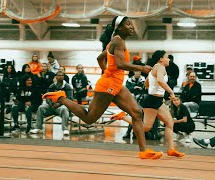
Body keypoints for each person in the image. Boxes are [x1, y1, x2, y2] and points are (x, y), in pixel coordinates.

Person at [43, 16, 163, 159]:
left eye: (131, 24)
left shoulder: (116, 41)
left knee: (137, 113)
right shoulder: (117, 41)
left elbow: (100, 59)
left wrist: (105, 71)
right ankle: (62, 98)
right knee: (89, 118)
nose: (131, 27)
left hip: (116, 83)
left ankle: (144, 151)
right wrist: (141, 67)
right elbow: (120, 64)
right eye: (128, 24)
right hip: (108, 85)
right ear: (119, 27)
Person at [111, 50, 185, 157]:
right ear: (161, 59)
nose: (169, 59)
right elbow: (160, 80)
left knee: (169, 123)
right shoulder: (160, 67)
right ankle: (123, 117)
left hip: (157, 100)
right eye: (167, 57)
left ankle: (171, 149)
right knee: (146, 127)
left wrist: (153, 90)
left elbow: (147, 82)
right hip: (152, 101)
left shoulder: (154, 67)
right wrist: (171, 92)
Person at [30, 71, 73, 135]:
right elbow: (47, 97)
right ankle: (38, 127)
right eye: (58, 75)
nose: (60, 77)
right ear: (56, 77)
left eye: (62, 75)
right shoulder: (52, 86)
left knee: (64, 109)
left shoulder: (67, 87)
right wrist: (50, 104)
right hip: (52, 105)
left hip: (61, 106)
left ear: (63, 77)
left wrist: (59, 104)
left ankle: (65, 129)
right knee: (41, 108)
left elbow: (69, 99)